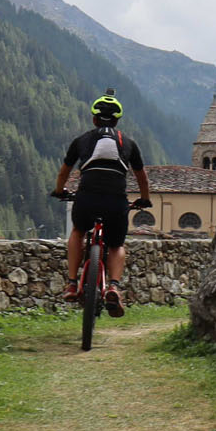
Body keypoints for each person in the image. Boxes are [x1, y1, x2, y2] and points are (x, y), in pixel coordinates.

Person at [52, 92, 151, 315]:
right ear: (117, 121)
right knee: (116, 245)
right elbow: (142, 177)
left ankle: (71, 283)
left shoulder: (81, 140)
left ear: (94, 119)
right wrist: (145, 199)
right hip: (116, 201)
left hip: (87, 198)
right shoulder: (129, 143)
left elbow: (63, 172)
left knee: (78, 231)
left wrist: (59, 191)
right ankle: (113, 286)